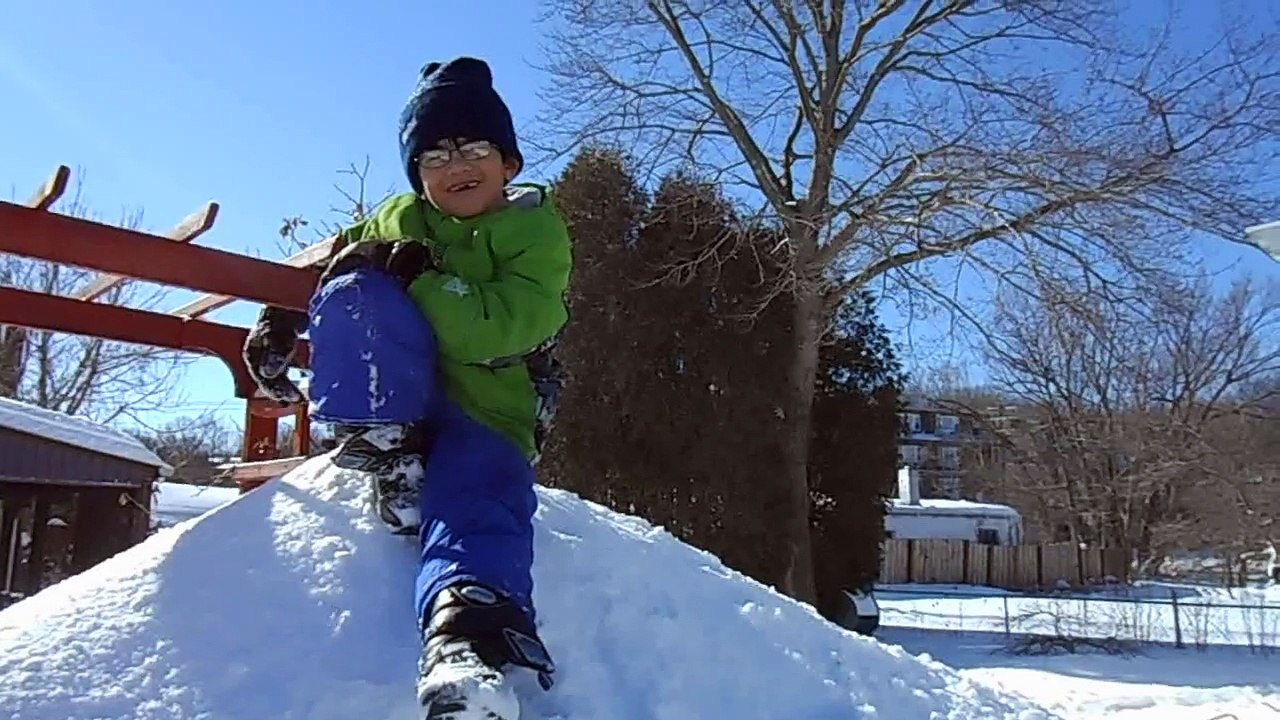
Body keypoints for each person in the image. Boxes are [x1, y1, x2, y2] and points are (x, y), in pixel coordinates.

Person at [243, 57, 570, 720]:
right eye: (433, 155)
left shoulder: (535, 231)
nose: (455, 164)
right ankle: (387, 451)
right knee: (357, 284)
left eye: (473, 147)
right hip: (401, 399)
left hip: (489, 407)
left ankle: (466, 638)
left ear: (508, 162)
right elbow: (333, 267)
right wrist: (279, 314)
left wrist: (420, 280)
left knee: (479, 492)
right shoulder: (399, 217)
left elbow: (508, 325)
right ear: (416, 176)